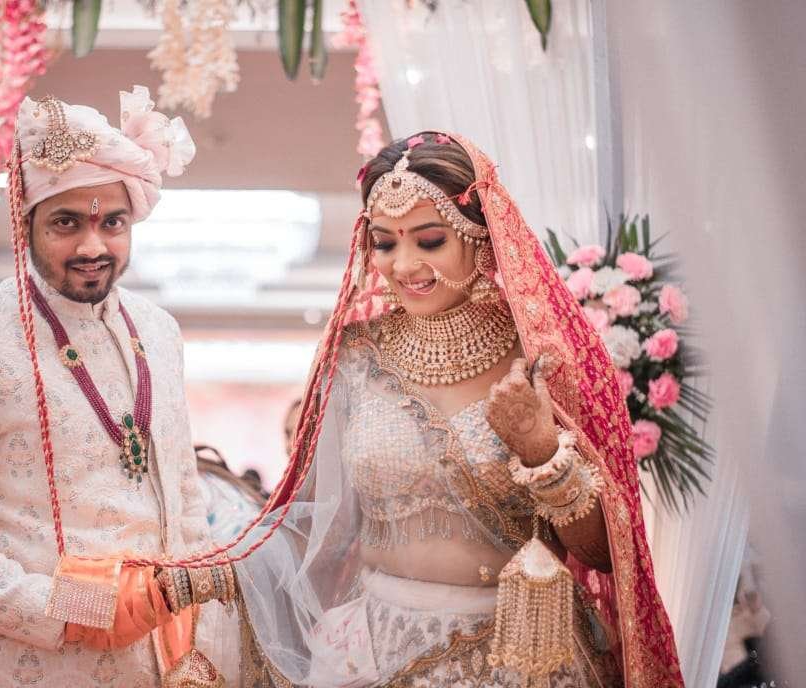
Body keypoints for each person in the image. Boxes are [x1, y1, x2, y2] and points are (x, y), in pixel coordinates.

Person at [226, 133, 684, 686]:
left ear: (481, 237)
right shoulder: (355, 356)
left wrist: (541, 451)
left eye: (430, 240)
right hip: (375, 651)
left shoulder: (538, 355)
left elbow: (605, 554)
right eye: (385, 243)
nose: (404, 265)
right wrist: (213, 574)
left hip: (518, 657)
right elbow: (320, 528)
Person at [0, 87, 237, 686]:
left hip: (156, 666)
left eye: (112, 222)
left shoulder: (159, 332)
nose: (93, 246)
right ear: (26, 225)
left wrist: (198, 636)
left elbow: (183, 499)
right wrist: (75, 608)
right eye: (66, 222)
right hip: (19, 668)